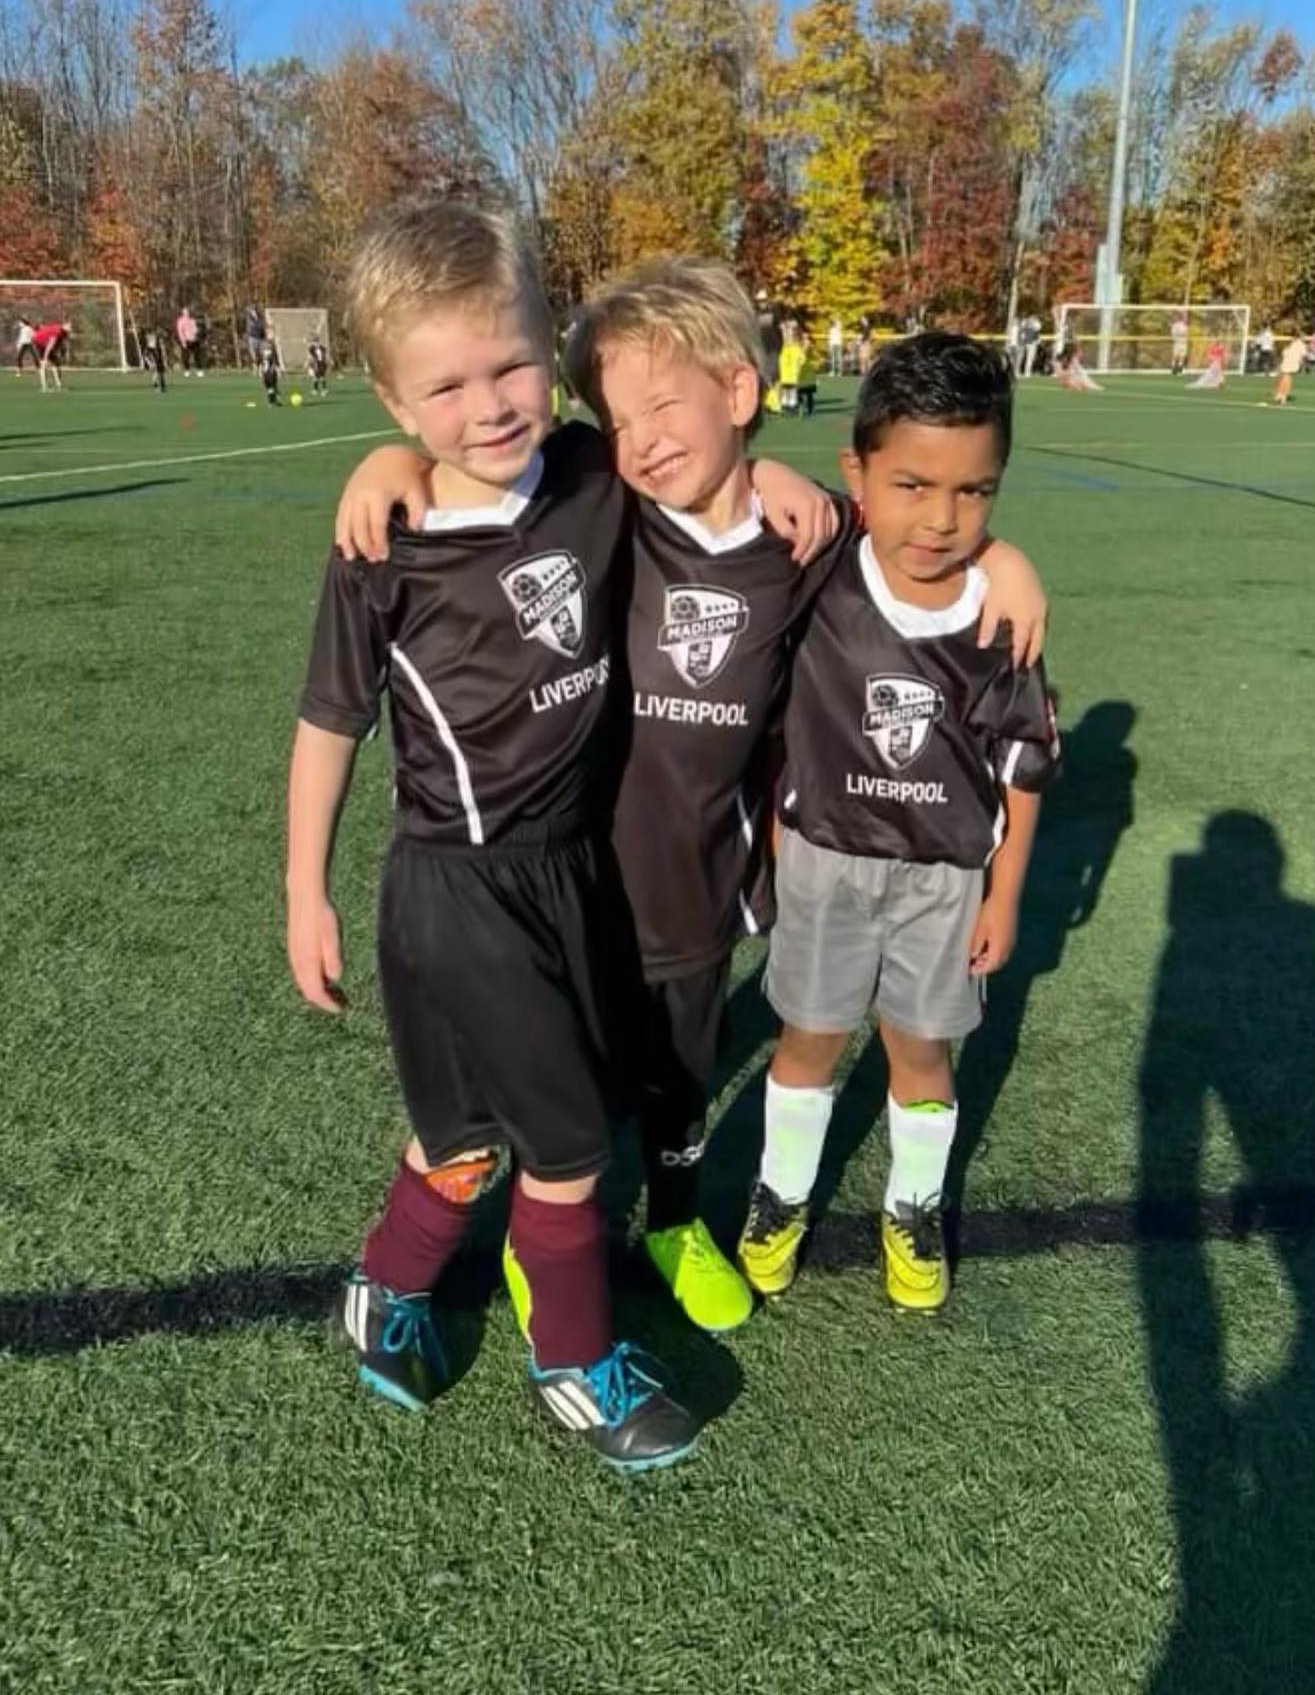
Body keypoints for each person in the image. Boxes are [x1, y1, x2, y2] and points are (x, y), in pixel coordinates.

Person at [332, 258, 1051, 1339]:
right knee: (555, 1067)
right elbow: (475, 472)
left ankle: (673, 1221)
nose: (643, 440)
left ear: (740, 391)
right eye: (619, 420)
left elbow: (918, 533)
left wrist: (1004, 560)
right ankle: (541, 1243)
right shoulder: (605, 504)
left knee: (679, 1070)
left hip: (702, 876)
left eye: (663, 406)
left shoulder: (804, 543)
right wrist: (388, 455)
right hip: (573, 868)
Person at [287, 200, 708, 1472]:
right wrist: (303, 890)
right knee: (572, 1148)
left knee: (464, 1136)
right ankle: (576, 1367)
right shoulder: (387, 543)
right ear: (388, 397)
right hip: (458, 892)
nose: (490, 405)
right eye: (446, 386)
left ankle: (382, 1292)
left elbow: (698, 465)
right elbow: (328, 720)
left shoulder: (588, 474)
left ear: (551, 337)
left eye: (513, 362)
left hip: (574, 869)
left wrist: (779, 476)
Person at [737, 334, 1059, 1314]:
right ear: (859, 476)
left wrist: (1004, 895)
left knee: (922, 1052)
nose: (941, 518)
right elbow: (722, 487)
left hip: (942, 882)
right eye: (912, 485)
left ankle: (912, 1204)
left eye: (975, 494)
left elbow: (1023, 768)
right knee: (810, 1039)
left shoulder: (1003, 617)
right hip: (825, 865)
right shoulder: (822, 567)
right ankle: (780, 1192)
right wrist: (758, 462)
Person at [32, 320, 70, 391]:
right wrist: (46, 357)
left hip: (45, 343)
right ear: (64, 326)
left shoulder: (65, 333)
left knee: (55, 363)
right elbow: (50, 345)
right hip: (39, 342)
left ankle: (59, 385)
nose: (70, 327)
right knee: (43, 363)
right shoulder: (57, 332)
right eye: (68, 325)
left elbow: (62, 344)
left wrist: (64, 353)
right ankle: (44, 386)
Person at [1273, 332, 1307, 405]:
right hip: (1292, 363)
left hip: (1287, 362)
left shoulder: (1290, 344)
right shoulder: (1301, 344)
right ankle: (1282, 396)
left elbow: (1284, 353)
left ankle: (1280, 395)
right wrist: (1301, 363)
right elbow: (1303, 355)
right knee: (1287, 379)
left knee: (1284, 378)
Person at [175, 306, 202, 377]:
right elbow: (180, 331)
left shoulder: (192, 320)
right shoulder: (180, 321)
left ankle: (199, 370)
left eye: (188, 312)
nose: (187, 314)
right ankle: (187, 371)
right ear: (183, 313)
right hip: (186, 340)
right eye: (186, 312)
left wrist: (196, 333)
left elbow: (195, 329)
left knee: (197, 356)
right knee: (186, 356)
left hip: (194, 340)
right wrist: (183, 341)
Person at [142, 327, 168, 393]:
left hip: (159, 359)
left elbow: (162, 350)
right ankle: (160, 387)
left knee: (159, 373)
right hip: (156, 359)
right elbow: (146, 355)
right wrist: (150, 363)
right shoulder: (150, 347)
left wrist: (164, 359)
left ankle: (161, 387)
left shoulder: (158, 341)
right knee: (158, 373)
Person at [243, 303, 266, 370]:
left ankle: (261, 367)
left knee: (261, 354)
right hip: (252, 337)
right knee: (253, 355)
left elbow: (262, 324)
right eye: (252, 308)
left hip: (260, 337)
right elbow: (253, 326)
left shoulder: (259, 316)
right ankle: (255, 367)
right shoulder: (249, 317)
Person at [259, 337, 281, 406]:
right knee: (272, 387)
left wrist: (260, 371)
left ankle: (273, 401)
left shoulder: (262, 351)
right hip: (270, 372)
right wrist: (277, 368)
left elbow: (260, 362)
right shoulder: (272, 352)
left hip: (264, 371)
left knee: (270, 388)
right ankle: (271, 401)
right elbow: (274, 362)